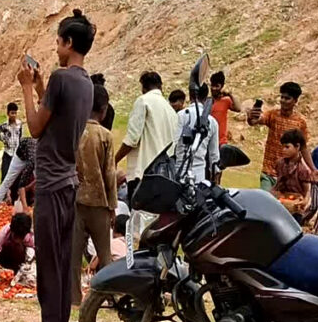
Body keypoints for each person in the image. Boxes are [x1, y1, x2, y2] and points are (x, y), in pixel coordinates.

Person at [15, 8, 95, 322]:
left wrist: (27, 87)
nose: (56, 45)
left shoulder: (62, 79)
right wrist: (43, 85)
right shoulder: (84, 83)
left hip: (49, 183)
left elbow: (35, 127)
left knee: (49, 265)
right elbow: (57, 117)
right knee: (64, 263)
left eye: (59, 40)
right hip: (70, 182)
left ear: (69, 43)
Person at [116, 71, 179, 238]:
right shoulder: (170, 110)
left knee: (138, 228)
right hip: (165, 176)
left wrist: (113, 160)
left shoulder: (143, 101)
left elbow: (132, 139)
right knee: (156, 228)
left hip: (143, 174)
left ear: (143, 88)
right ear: (160, 87)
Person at [71, 83, 116, 305]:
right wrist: (113, 206)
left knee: (73, 256)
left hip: (76, 202)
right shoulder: (106, 136)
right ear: (104, 109)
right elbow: (110, 175)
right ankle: (108, 297)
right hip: (100, 203)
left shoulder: (74, 131)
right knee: (105, 255)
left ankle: (73, 298)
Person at [247, 81, 318, 190]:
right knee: (266, 202)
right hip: (269, 172)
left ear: (295, 101)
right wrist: (251, 117)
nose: (283, 101)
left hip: (289, 176)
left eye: (287, 98)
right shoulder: (273, 115)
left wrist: (313, 169)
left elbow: (303, 148)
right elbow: (256, 121)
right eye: (282, 97)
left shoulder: (300, 122)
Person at [173, 83, 220, 184]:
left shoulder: (181, 115)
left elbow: (172, 144)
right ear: (205, 96)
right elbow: (214, 156)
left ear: (190, 95)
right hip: (199, 176)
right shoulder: (212, 121)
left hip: (178, 173)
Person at [271, 129, 314, 222]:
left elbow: (307, 190)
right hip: (281, 203)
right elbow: (278, 183)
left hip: (295, 208)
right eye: (282, 147)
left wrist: (305, 201)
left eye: (287, 147)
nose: (283, 150)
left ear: (297, 146)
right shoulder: (280, 163)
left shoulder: (303, 169)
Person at [0, 137, 34, 216]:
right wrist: (25, 208)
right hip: (21, 155)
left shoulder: (48, 160)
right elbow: (21, 184)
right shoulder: (32, 162)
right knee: (8, 181)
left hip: (32, 153)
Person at [0, 212, 34, 278]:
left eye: (20, 237)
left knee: (18, 246)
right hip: (4, 258)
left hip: (22, 261)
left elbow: (37, 249)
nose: (17, 240)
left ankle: (19, 274)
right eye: (16, 236)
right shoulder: (5, 231)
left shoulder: (30, 237)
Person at [209, 71, 242, 147]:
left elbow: (238, 108)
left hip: (221, 142)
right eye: (212, 86)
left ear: (221, 87)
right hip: (208, 141)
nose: (213, 89)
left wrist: (230, 95)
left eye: (217, 86)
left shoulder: (226, 100)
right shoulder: (207, 101)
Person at [0, 102, 23, 182]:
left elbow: (20, 136)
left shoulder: (19, 124)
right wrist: (4, 139)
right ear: (8, 113)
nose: (13, 115)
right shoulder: (4, 125)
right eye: (12, 113)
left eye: (15, 113)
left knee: (17, 176)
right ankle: (5, 194)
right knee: (5, 175)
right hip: (8, 153)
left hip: (16, 154)